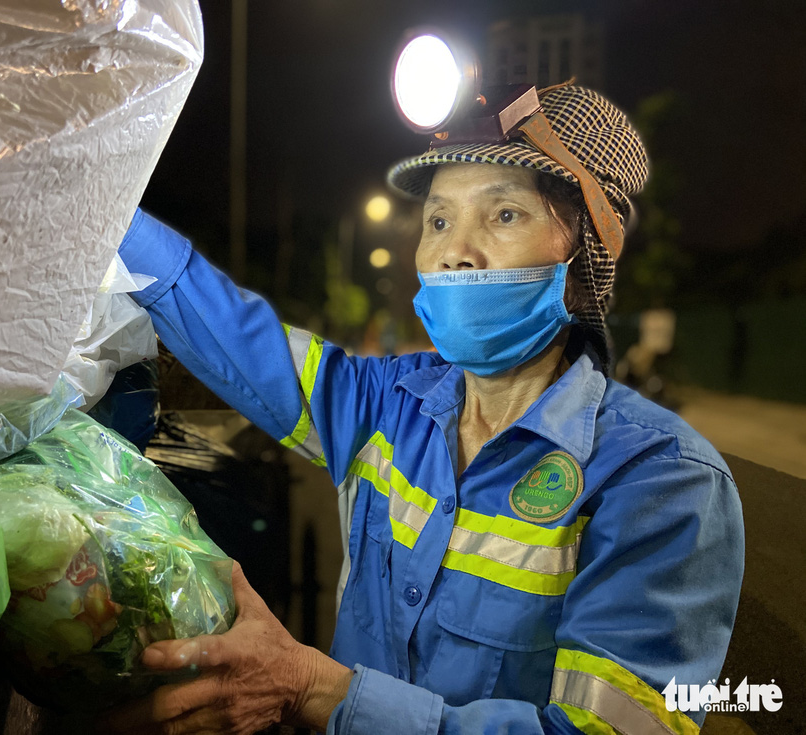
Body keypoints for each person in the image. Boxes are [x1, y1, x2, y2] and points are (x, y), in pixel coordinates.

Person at [105, 83, 743, 734]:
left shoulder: (662, 484)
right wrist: (94, 207)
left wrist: (318, 691)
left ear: (584, 257)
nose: (451, 250)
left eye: (503, 215)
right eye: (439, 219)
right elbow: (227, 328)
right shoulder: (386, 405)